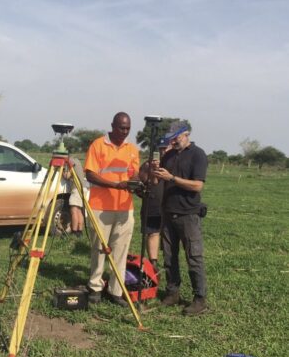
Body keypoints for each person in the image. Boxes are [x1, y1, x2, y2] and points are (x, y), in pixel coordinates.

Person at [153, 121, 208, 316]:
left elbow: (197, 186)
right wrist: (154, 172)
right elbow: (159, 180)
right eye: (172, 137)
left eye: (177, 137)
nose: (173, 141)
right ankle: (172, 293)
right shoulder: (168, 155)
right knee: (169, 257)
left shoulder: (198, 155)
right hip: (168, 213)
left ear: (186, 134)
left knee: (194, 257)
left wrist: (172, 178)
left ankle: (200, 299)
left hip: (188, 215)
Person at [84, 112, 140, 306]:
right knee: (99, 249)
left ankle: (116, 291)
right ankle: (95, 287)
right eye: (121, 128)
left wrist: (141, 180)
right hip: (100, 207)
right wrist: (116, 185)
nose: (124, 132)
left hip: (125, 208)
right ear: (112, 126)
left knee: (120, 250)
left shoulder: (132, 149)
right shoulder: (98, 145)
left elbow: (134, 175)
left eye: (128, 128)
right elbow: (90, 174)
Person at [139, 138, 171, 268]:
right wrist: (152, 169)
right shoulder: (148, 165)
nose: (163, 151)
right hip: (152, 204)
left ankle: (169, 262)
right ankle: (153, 263)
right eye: (161, 148)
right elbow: (145, 182)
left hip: (170, 205)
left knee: (169, 235)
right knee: (153, 232)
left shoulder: (175, 163)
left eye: (166, 148)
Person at [64, 156, 88, 237]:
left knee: (74, 211)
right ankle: (79, 231)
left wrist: (62, 171)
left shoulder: (70, 161)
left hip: (76, 189)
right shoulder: (77, 160)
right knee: (79, 211)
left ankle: (74, 231)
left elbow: (67, 176)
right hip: (83, 188)